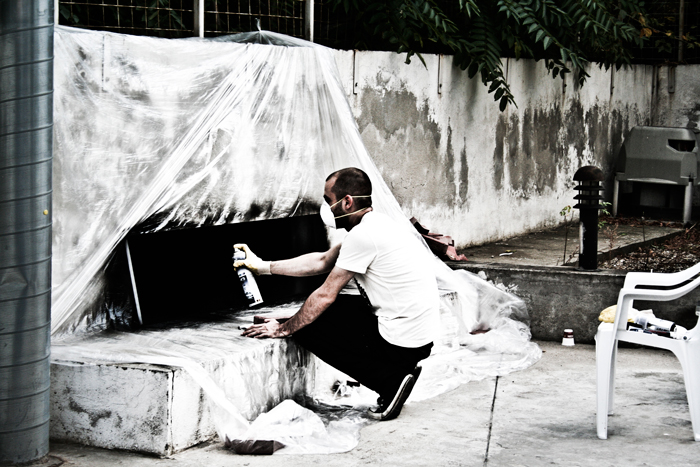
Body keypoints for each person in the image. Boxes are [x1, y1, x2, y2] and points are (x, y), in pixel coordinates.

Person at [234, 167, 439, 421]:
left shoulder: (364, 235)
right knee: (324, 311)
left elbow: (324, 295)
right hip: (417, 337)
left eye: (328, 200)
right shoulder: (377, 225)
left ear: (347, 202)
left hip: (403, 342)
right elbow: (321, 261)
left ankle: (390, 381)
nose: (325, 208)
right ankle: (400, 369)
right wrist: (261, 267)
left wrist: (285, 329)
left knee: (309, 324)